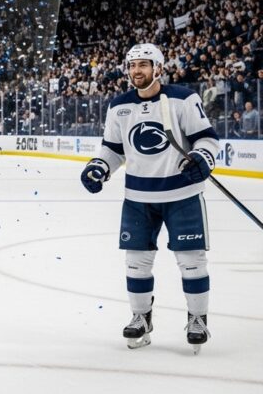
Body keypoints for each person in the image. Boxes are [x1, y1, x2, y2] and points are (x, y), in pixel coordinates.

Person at [81, 43, 219, 354]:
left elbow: (207, 139)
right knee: (136, 264)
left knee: (192, 263)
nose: (136, 72)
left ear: (158, 68)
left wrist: (202, 157)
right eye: (131, 66)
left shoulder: (183, 98)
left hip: (182, 195)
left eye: (143, 65)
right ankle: (141, 317)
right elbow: (113, 149)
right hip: (138, 197)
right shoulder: (119, 106)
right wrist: (99, 167)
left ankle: (197, 318)